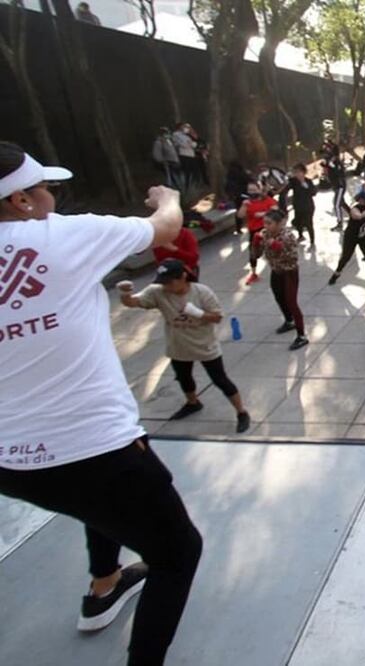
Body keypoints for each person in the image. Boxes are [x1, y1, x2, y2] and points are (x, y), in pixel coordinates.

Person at [0, 144, 202, 666]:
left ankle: (104, 586)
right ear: (21, 199)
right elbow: (165, 227)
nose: (53, 198)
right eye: (48, 189)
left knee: (101, 508)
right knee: (177, 553)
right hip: (96, 451)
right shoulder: (63, 237)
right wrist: (168, 194)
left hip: (10, 462)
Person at [120, 259, 252, 430]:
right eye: (163, 282)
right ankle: (193, 402)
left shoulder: (202, 292)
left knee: (220, 379)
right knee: (184, 378)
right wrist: (125, 294)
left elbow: (217, 317)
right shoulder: (157, 292)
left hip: (204, 344)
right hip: (178, 345)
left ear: (183, 277)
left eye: (169, 282)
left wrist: (197, 313)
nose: (166, 286)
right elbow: (133, 302)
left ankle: (241, 412)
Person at [254, 210, 308, 350]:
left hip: (289, 272)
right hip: (275, 271)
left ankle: (302, 336)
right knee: (279, 297)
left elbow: (291, 256)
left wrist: (275, 246)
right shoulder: (265, 234)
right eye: (264, 223)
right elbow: (256, 255)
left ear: (279, 224)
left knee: (291, 302)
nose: (266, 226)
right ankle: (289, 321)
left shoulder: (287, 236)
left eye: (269, 223)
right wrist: (256, 244)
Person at [328, 192, 365, 288]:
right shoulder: (355, 207)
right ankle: (336, 273)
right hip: (351, 235)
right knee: (346, 256)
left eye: (364, 200)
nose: (362, 201)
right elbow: (357, 216)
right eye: (361, 199)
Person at [236, 181, 276, 285]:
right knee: (253, 253)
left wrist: (263, 214)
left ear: (259, 189)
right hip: (254, 231)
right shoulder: (247, 202)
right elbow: (240, 215)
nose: (252, 192)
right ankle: (254, 273)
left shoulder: (267, 200)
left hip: (267, 229)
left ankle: (278, 269)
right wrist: (244, 206)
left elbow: (275, 210)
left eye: (254, 189)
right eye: (250, 190)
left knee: (272, 249)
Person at [278, 163, 316, 251]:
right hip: (298, 206)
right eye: (296, 172)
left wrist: (304, 184)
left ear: (303, 172)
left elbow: (313, 192)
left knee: (309, 223)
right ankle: (301, 236)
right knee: (298, 221)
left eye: (299, 172)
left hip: (308, 206)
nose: (298, 174)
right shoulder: (293, 181)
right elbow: (285, 190)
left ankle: (312, 241)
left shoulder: (308, 181)